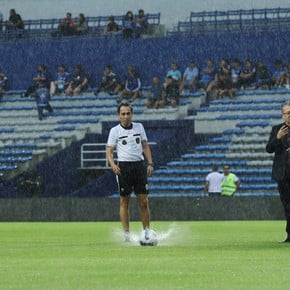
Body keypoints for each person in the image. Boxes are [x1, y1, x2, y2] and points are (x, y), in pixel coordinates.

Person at [106, 102, 154, 243]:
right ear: (118, 115)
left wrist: (150, 162)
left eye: (128, 113)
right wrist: (113, 164)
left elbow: (145, 145)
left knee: (143, 201)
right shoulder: (115, 131)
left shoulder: (139, 127)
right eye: (123, 114)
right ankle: (127, 233)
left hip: (139, 166)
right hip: (124, 168)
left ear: (132, 114)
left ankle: (146, 232)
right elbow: (109, 150)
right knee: (124, 201)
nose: (126, 116)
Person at [266, 100, 290, 242]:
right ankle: (289, 235)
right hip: (283, 175)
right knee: (287, 205)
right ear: (282, 115)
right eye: (287, 113)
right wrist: (277, 138)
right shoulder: (277, 129)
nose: (289, 115)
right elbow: (269, 149)